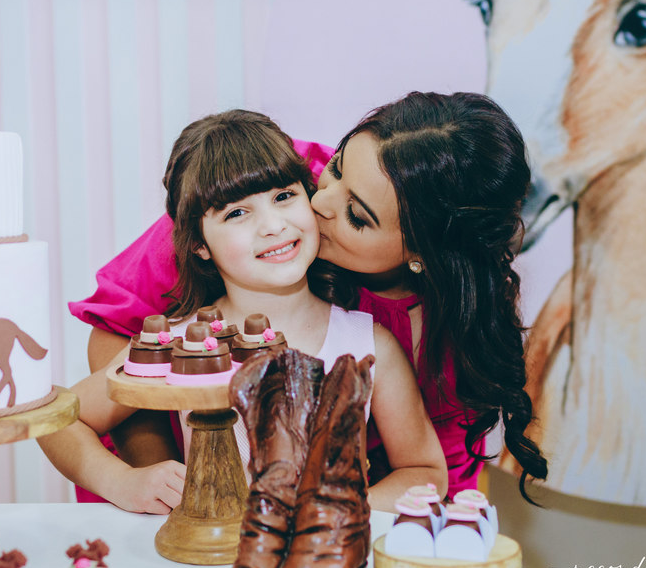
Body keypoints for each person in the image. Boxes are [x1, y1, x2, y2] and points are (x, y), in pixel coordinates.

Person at [73, 92, 548, 502]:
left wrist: (331, 507)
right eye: (336, 168)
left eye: (357, 217)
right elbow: (109, 344)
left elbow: (427, 479)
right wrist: (162, 484)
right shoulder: (266, 183)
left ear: (422, 255)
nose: (317, 203)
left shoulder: (393, 343)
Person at [40, 109, 448, 513]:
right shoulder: (179, 344)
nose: (272, 225)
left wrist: (340, 507)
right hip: (210, 563)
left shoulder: (368, 343)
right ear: (199, 244)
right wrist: (124, 481)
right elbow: (58, 421)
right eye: (237, 212)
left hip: (327, 564)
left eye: (284, 197)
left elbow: (425, 470)